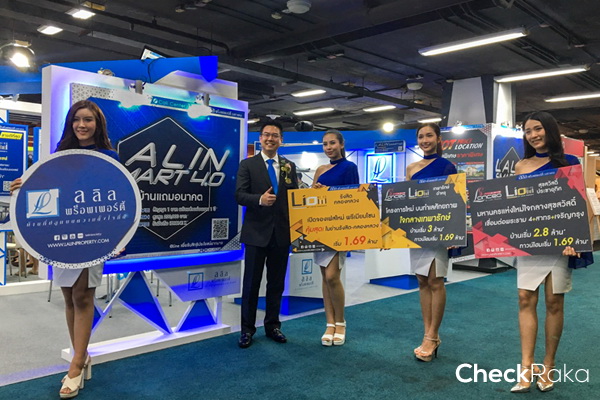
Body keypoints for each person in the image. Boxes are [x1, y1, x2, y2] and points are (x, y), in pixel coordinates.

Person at [10, 100, 119, 398]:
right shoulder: (61, 156)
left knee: (83, 295)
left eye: (88, 120)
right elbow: (50, 191)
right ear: (71, 123)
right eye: (76, 119)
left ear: (98, 124)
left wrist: (116, 238)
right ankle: (81, 355)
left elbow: (117, 199)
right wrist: (24, 186)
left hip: (93, 235)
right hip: (63, 237)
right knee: (69, 296)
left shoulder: (109, 157)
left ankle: (76, 364)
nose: (82, 125)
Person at [510, 111, 591, 393]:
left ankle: (548, 364)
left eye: (538, 129)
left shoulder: (569, 162)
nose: (533, 135)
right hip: (530, 242)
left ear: (550, 130)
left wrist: (576, 238)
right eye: (528, 131)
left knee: (554, 302)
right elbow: (516, 206)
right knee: (524, 298)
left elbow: (578, 204)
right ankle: (526, 366)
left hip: (560, 243)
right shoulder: (521, 166)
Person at [235, 121, 298, 348]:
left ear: (281, 140)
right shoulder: (248, 165)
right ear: (260, 138)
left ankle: (273, 326)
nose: (270, 139)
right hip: (256, 234)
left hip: (281, 234)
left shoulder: (289, 166)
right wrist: (259, 200)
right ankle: (247, 330)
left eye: (275, 135)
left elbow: (294, 198)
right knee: (251, 284)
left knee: (276, 284)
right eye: (266, 135)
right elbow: (239, 195)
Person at [405, 123, 457, 362]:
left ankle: (433, 335)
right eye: (421, 137)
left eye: (429, 135)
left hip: (439, 230)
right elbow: (406, 200)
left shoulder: (447, 166)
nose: (425, 140)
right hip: (417, 230)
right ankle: (428, 333)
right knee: (422, 281)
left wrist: (453, 232)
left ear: (438, 139)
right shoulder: (411, 168)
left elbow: (455, 200)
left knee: (436, 281)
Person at [312, 129, 359, 346]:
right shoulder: (320, 169)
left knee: (332, 276)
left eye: (332, 143)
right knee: (324, 275)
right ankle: (329, 323)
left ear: (341, 144)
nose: (328, 147)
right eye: (325, 144)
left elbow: (354, 197)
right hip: (319, 227)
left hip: (339, 227)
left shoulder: (350, 167)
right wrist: (315, 191)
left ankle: (341, 322)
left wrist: (329, 191)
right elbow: (311, 197)